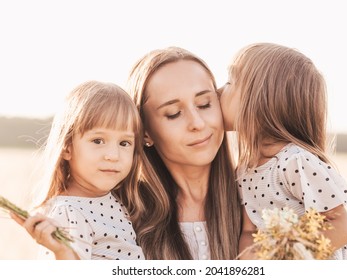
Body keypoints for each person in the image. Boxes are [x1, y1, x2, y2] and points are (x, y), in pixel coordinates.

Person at [218, 42, 347, 260]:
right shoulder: (244, 170)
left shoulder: (295, 162)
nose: (218, 91)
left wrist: (289, 259)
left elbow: (341, 225)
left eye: (229, 82)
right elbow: (250, 231)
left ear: (260, 100)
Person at [11, 80, 168, 260]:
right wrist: (63, 252)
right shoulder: (70, 212)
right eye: (98, 141)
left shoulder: (113, 198)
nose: (113, 155)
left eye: (124, 143)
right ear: (67, 147)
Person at [125, 46, 242, 260]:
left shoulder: (261, 197)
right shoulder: (121, 215)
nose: (197, 123)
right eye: (174, 114)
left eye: (205, 104)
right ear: (145, 132)